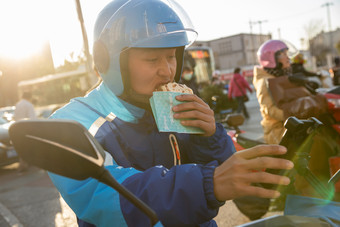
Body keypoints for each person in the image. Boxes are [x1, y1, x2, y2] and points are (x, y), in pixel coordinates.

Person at [48, 1, 293, 226]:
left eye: (171, 57)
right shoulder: (69, 124)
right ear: (110, 61)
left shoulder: (171, 105)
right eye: (152, 58)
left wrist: (210, 136)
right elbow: (109, 200)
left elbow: (223, 175)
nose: (167, 72)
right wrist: (208, 183)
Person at [253, 39, 328, 145]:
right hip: (278, 130)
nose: (288, 58)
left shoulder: (280, 75)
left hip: (293, 126)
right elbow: (269, 110)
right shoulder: (264, 81)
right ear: (272, 58)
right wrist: (295, 113)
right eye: (283, 54)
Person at [13, 91, 36, 172]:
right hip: (27, 129)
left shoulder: (18, 104)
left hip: (18, 128)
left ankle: (23, 164)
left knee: (22, 147)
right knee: (30, 146)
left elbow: (15, 117)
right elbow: (32, 118)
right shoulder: (29, 105)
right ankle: (29, 163)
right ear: (29, 97)